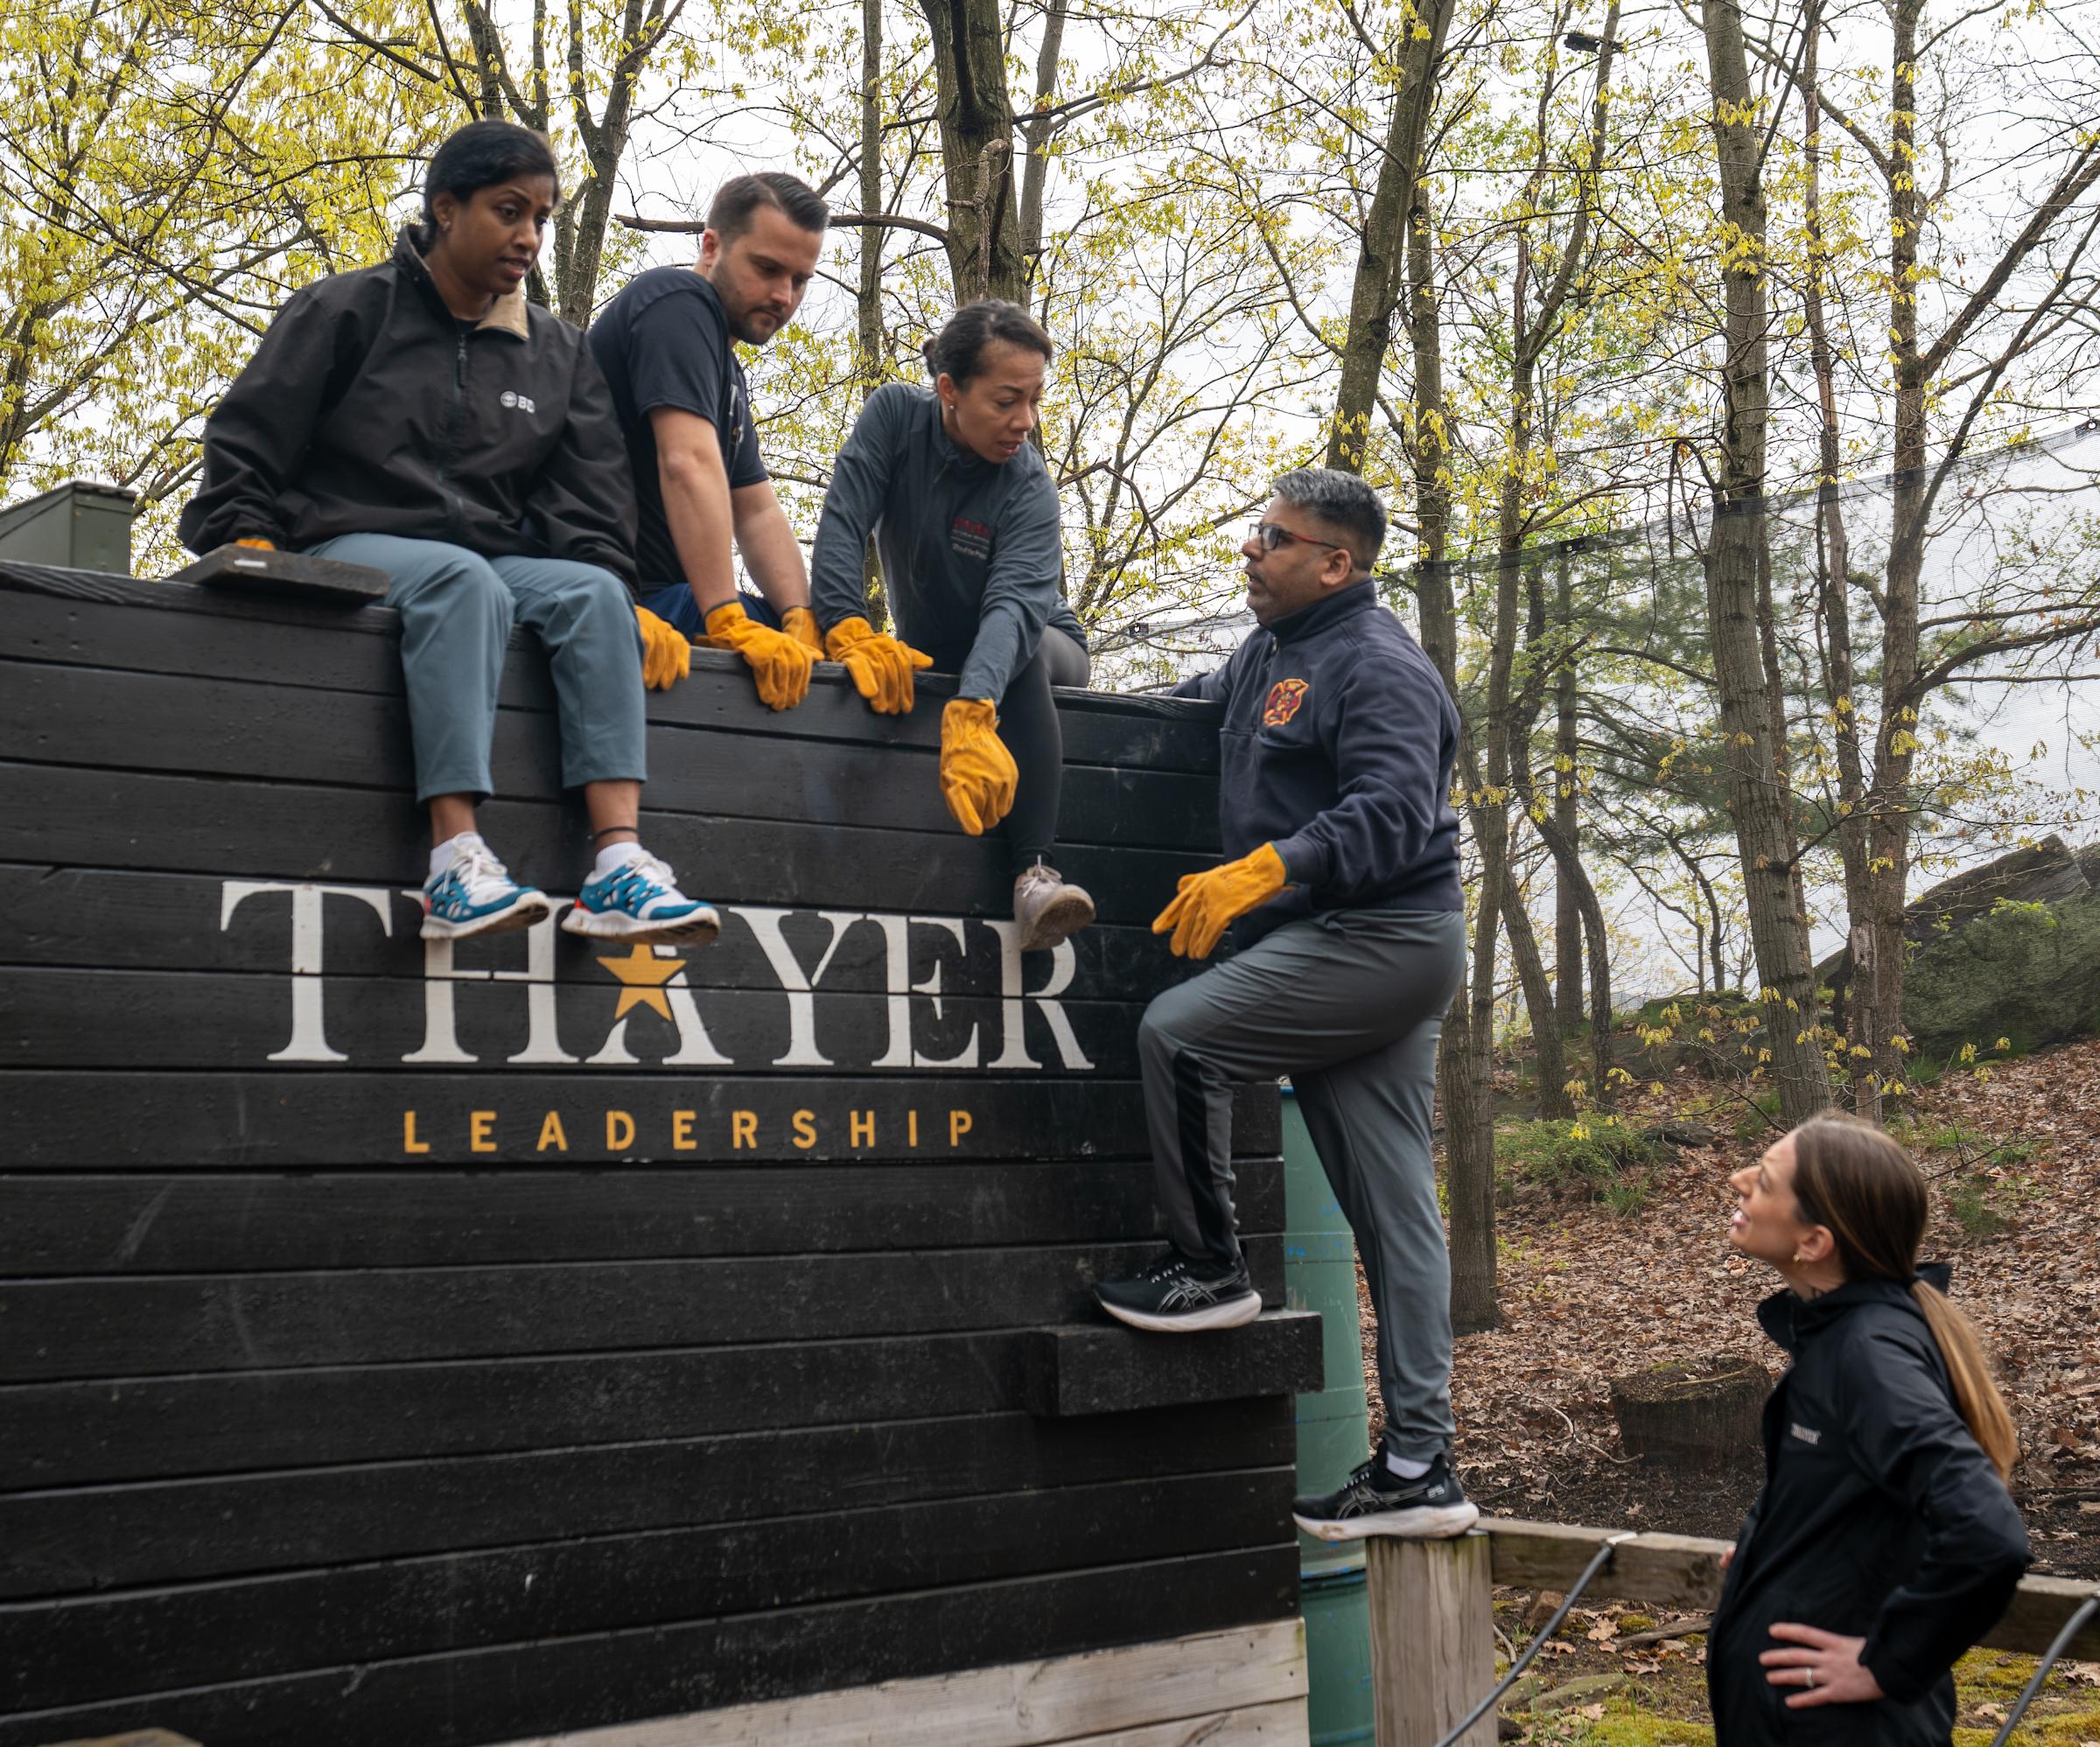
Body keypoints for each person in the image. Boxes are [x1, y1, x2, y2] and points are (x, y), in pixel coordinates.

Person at [179, 119, 716, 947]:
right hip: (343, 541)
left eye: (541, 217)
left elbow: (592, 505)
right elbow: (249, 438)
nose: (529, 237)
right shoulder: (348, 308)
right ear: (445, 208)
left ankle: (618, 866)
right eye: (509, 211)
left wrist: (608, 583)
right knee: (462, 579)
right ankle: (455, 861)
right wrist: (248, 535)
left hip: (490, 559)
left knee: (593, 591)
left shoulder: (557, 356)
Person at [1092, 467, 1476, 1541]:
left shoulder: (1382, 666)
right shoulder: (1268, 651)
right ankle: (1419, 1465)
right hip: (1343, 943)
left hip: (1384, 939)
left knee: (1178, 1035)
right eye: (1257, 532)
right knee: (1395, 1213)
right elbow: (1193, 709)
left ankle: (1211, 1267)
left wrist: (1262, 870)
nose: (1250, 552)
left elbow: (1397, 814)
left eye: (1273, 537)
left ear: (1335, 561)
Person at [1708, 1113, 2030, 1744]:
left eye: (1765, 1180)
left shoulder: (1868, 1353)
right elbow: (1858, 1496)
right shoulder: (1843, 1334)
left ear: (1814, 1242)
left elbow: (1989, 1535)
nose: (1738, 1179)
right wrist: (1773, 1546)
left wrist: (1887, 1661)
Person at [807, 300, 1096, 952]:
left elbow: (1014, 611)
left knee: (1016, 654)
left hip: (1036, 643)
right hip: (933, 645)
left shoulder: (1029, 488)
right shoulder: (892, 417)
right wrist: (845, 625)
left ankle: (1036, 875)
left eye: (1036, 400)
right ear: (949, 390)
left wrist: (974, 707)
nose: (1025, 421)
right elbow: (845, 519)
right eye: (1006, 401)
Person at [591, 172, 831, 712]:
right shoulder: (677, 300)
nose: (782, 295)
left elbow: (756, 511)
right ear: (711, 244)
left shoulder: (728, 375)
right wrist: (725, 615)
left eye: (799, 280)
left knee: (831, 651)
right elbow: (687, 462)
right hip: (619, 599)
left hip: (669, 602)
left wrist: (802, 616)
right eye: (767, 269)